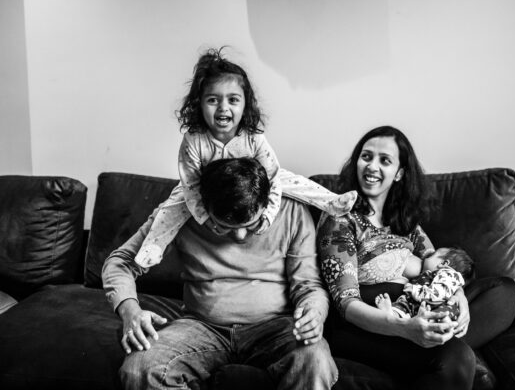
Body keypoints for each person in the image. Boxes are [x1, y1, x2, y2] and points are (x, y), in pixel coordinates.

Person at [102, 157, 338, 390]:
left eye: (253, 225)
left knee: (315, 360)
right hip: (201, 326)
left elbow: (309, 285)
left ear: (268, 202)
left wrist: (314, 312)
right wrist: (130, 311)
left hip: (275, 327)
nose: (240, 236)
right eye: (224, 226)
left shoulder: (291, 209)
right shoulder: (179, 211)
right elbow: (120, 262)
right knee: (140, 368)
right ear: (202, 207)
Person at [317, 125, 515, 390]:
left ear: (399, 173)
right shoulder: (340, 217)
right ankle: (436, 349)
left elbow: (436, 263)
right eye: (366, 156)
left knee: (504, 291)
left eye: (385, 160)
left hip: (420, 305)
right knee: (457, 358)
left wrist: (458, 298)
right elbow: (346, 304)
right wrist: (405, 329)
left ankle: (432, 342)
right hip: (367, 323)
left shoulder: (403, 220)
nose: (372, 166)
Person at [135, 47, 356, 268]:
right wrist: (206, 218)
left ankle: (330, 201)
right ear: (199, 104)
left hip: (249, 184)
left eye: (233, 100)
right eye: (212, 100)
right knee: (175, 202)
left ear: (245, 105)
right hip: (207, 187)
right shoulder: (194, 140)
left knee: (290, 180)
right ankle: (153, 246)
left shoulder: (253, 138)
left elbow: (273, 177)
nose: (223, 107)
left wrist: (267, 215)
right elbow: (190, 184)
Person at [375, 247, 474, 322]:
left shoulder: (448, 275)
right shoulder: (431, 275)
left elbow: (436, 294)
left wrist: (415, 290)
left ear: (444, 263)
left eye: (432, 255)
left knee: (443, 313)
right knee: (403, 308)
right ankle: (391, 314)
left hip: (433, 305)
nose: (425, 257)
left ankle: (440, 322)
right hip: (418, 306)